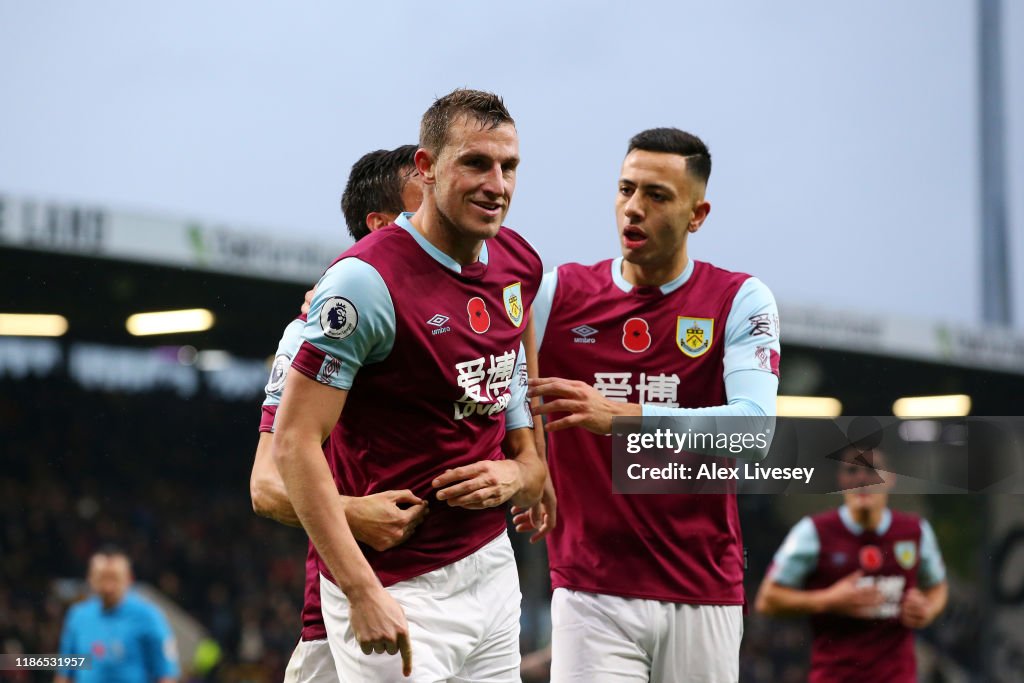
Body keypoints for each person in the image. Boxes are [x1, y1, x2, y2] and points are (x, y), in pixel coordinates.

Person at [273, 88, 546, 681]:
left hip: (492, 569)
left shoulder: (519, 262)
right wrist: (360, 590)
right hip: (398, 583)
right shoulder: (363, 283)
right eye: (475, 163)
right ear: (426, 168)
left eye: (509, 166)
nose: (496, 184)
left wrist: (528, 464)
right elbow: (293, 446)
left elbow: (514, 367)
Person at [520, 128, 781, 682]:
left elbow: (753, 430)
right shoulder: (558, 294)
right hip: (589, 586)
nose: (633, 209)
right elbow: (491, 380)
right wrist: (529, 461)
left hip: (703, 588)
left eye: (657, 196)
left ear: (697, 213)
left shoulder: (738, 299)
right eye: (625, 189)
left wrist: (617, 417)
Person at [251, 145, 431, 683]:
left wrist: (521, 467)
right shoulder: (319, 329)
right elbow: (265, 486)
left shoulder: (460, 319)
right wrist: (353, 513)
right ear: (381, 224)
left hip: (457, 596)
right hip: (340, 620)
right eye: (424, 201)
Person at [754, 447, 948, 682]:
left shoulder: (916, 532)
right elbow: (767, 599)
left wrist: (928, 610)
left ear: (890, 478)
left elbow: (938, 587)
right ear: (841, 480)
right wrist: (828, 600)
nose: (862, 480)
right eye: (852, 471)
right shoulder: (812, 532)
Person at [55, 547, 179, 683]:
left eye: (114, 578)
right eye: (102, 577)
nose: (108, 586)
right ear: (90, 578)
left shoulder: (148, 617)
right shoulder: (78, 616)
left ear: (129, 579)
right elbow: (65, 673)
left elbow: (166, 675)